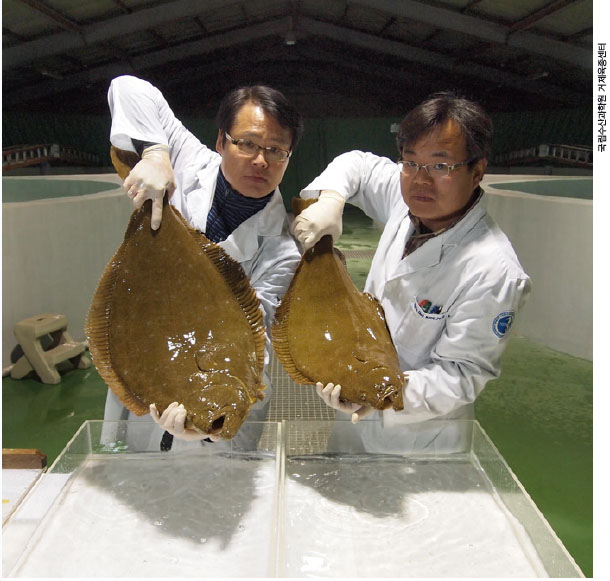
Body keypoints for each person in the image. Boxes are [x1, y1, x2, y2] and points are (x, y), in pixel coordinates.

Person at [292, 91, 531, 452]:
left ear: (477, 170)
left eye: (440, 166)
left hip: (417, 441)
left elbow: (462, 375)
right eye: (410, 162)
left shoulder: (493, 271)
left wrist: (378, 393)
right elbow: (355, 165)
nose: (420, 180)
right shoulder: (406, 197)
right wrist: (331, 200)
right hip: (355, 422)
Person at [103, 75, 303, 451]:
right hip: (147, 360)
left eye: (277, 150)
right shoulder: (187, 158)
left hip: (218, 400)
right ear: (221, 141)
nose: (261, 160)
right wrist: (156, 154)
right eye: (247, 143)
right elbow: (126, 86)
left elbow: (251, 341)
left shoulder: (283, 250)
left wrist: (206, 417)